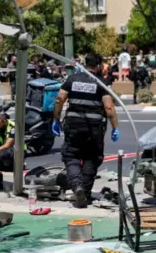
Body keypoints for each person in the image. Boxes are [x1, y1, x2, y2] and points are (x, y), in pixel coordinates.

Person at [52, 53, 119, 208]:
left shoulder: (72, 80)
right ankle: (86, 193)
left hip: (74, 126)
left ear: (84, 64)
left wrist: (55, 119)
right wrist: (115, 127)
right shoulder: (102, 82)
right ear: (99, 65)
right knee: (91, 158)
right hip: (94, 128)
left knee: (71, 156)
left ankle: (77, 187)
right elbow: (109, 108)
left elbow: (59, 99)